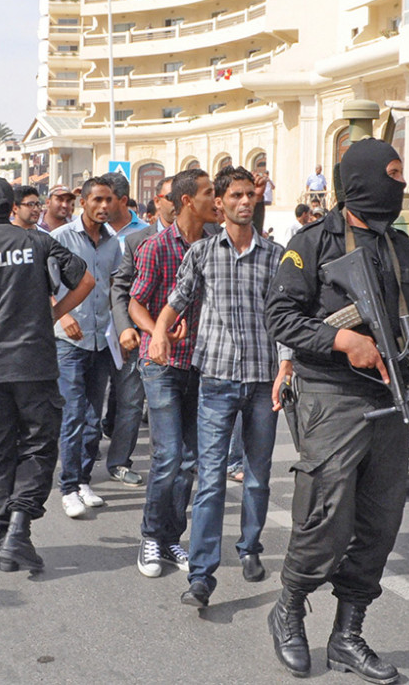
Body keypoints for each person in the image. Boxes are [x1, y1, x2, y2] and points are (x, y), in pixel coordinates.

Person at [264, 138, 409, 681]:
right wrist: (341, 341)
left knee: (379, 522)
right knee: (325, 517)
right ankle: (289, 609)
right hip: (333, 394)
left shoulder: (400, 246)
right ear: (362, 181)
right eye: (393, 175)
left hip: (391, 395)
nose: (399, 185)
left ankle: (347, 636)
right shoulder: (311, 244)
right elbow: (279, 318)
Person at [149, 166, 287, 608]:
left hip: (264, 381)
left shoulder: (276, 256)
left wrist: (286, 368)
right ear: (221, 203)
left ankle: (249, 548)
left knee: (257, 478)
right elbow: (176, 300)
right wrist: (158, 333)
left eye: (251, 195)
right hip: (216, 381)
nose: (245, 202)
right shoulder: (204, 253)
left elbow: (284, 317)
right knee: (209, 481)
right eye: (235, 196)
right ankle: (202, 576)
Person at [0, 176, 94, 572]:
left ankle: (4, 534)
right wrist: (54, 315)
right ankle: (19, 531)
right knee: (38, 447)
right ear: (12, 206)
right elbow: (86, 280)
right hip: (34, 363)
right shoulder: (39, 241)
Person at [129, 168, 218, 579]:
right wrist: (158, 332)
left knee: (189, 461)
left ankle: (170, 538)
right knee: (167, 457)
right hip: (160, 364)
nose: (216, 200)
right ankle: (150, 535)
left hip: (201, 364)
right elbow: (136, 304)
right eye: (209, 193)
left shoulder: (217, 245)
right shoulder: (156, 247)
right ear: (187, 200)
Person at [51, 176, 122, 519]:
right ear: (83, 200)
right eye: (97, 200)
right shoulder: (60, 239)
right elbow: (41, 283)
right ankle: (67, 488)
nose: (104, 206)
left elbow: (116, 289)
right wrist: (61, 317)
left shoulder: (114, 243)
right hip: (69, 341)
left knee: (94, 416)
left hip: (101, 340)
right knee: (74, 413)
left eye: (109, 200)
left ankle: (82, 480)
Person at [108, 175, 176, 486]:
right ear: (157, 202)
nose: (176, 203)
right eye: (170, 197)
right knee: (132, 403)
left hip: (187, 340)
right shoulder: (138, 241)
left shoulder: (206, 237)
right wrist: (124, 328)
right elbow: (121, 289)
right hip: (142, 336)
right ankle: (120, 461)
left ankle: (181, 464)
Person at [100, 172, 149, 463]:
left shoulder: (144, 235)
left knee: (129, 399)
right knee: (89, 398)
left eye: (108, 199)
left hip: (129, 327)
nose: (102, 205)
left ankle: (119, 460)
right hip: (89, 328)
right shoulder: (87, 231)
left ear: (122, 200)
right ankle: (86, 450)